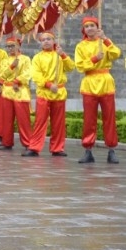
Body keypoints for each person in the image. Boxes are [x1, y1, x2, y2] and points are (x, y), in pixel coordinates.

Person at [73, 16, 120, 164]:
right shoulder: (80, 46)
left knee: (109, 118)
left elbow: (116, 54)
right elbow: (80, 66)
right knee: (89, 119)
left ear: (97, 27)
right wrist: (94, 59)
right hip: (89, 83)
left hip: (106, 82)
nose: (90, 28)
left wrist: (105, 39)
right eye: (87, 26)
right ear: (84, 30)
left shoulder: (104, 42)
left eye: (92, 25)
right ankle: (88, 150)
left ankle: (111, 149)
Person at [26, 31, 74, 157]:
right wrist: (48, 85)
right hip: (44, 92)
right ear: (40, 43)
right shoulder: (37, 58)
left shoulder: (59, 55)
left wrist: (63, 55)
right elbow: (36, 75)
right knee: (40, 121)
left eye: (49, 39)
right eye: (43, 40)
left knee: (58, 122)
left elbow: (70, 67)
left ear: (54, 41)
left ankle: (57, 148)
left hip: (59, 92)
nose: (46, 41)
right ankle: (34, 147)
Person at [0, 37, 32, 152]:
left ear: (18, 46)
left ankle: (28, 143)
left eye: (13, 45)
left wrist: (18, 81)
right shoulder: (5, 61)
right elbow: (2, 75)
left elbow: (28, 73)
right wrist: (12, 66)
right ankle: (7, 142)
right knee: (7, 118)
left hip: (20, 91)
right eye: (8, 46)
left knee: (23, 119)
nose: (10, 48)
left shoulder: (25, 59)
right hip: (7, 91)